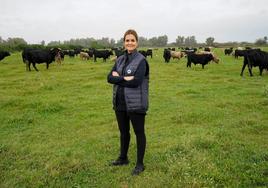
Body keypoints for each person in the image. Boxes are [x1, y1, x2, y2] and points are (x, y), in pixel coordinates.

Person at [107, 29, 149, 176]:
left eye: (132, 40)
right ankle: (123, 158)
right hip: (119, 102)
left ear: (136, 42)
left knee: (139, 132)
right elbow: (109, 78)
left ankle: (140, 164)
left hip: (136, 103)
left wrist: (119, 77)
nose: (129, 43)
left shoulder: (141, 60)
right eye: (127, 40)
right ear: (124, 42)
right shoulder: (119, 59)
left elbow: (136, 82)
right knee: (123, 132)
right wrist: (125, 78)